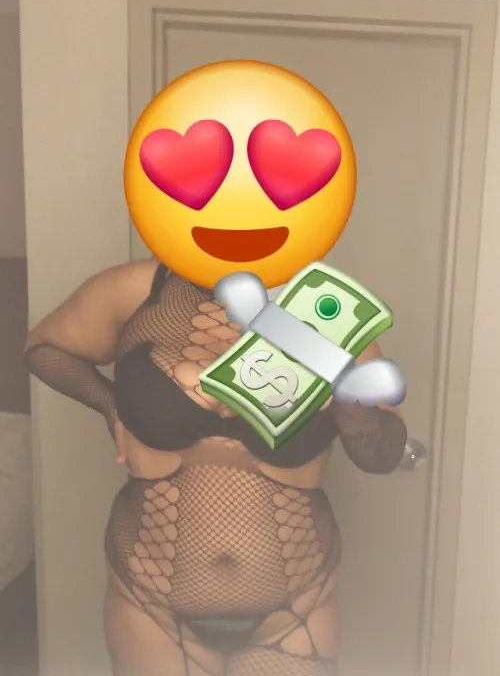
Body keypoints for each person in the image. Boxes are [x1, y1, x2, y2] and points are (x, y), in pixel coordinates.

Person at [24, 259, 407, 676]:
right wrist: (110, 405)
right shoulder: (137, 288)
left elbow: (379, 455)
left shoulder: (329, 305)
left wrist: (347, 398)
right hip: (151, 604)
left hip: (296, 608)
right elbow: (44, 348)